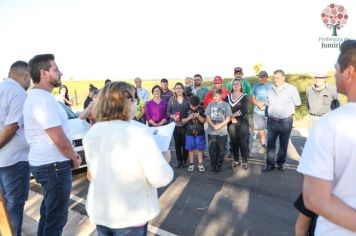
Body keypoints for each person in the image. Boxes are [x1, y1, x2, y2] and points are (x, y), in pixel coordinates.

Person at [83, 81, 173, 236]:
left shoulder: (92, 133)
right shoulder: (138, 134)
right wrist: (165, 157)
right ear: (128, 102)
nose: (136, 104)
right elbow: (160, 178)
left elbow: (91, 174)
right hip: (131, 215)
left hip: (101, 211)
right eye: (134, 100)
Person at [297, 39, 356, 235]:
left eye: (336, 68)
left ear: (348, 72)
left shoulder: (330, 124)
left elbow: (314, 199)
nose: (334, 74)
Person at [23, 54, 82, 236]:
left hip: (48, 165)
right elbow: (59, 138)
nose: (61, 72)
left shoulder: (39, 97)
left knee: (49, 215)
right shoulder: (42, 99)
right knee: (56, 220)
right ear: (44, 73)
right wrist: (74, 157)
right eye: (56, 69)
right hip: (53, 167)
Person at [0, 61, 31, 236]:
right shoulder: (18, 93)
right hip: (13, 161)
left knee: (3, 206)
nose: (29, 84)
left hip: (4, 161)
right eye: (29, 80)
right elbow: (12, 127)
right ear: (25, 76)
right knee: (14, 205)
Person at [263, 69, 301, 172]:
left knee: (283, 144)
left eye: (278, 78)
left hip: (285, 121)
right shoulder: (269, 88)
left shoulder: (292, 89)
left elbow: (297, 104)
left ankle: (281, 163)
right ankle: (270, 165)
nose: (276, 80)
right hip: (271, 121)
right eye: (274, 78)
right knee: (270, 144)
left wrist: (288, 112)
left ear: (283, 77)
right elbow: (267, 103)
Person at [205, 88, 232, 173]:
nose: (214, 98)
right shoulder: (210, 104)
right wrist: (213, 125)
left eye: (216, 96)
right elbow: (207, 116)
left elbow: (228, 118)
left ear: (221, 95)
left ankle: (219, 166)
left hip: (222, 132)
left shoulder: (226, 105)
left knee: (221, 150)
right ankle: (213, 167)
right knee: (212, 150)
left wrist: (220, 125)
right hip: (212, 131)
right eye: (214, 96)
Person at [225, 79, 250, 170]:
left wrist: (233, 115)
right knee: (234, 142)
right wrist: (231, 118)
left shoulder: (245, 96)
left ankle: (244, 161)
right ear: (232, 86)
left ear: (241, 86)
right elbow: (225, 108)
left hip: (242, 122)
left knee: (243, 142)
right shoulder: (227, 97)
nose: (235, 85)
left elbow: (245, 109)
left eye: (237, 84)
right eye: (234, 84)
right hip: (231, 123)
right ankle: (236, 160)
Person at [167, 82, 190, 168]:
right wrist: (173, 116)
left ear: (183, 89)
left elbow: (190, 111)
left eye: (180, 88)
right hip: (175, 125)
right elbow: (168, 112)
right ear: (174, 90)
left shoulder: (188, 99)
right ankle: (179, 160)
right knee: (177, 144)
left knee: (185, 144)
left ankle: (184, 160)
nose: (178, 90)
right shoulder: (171, 99)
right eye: (176, 88)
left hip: (185, 124)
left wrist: (187, 118)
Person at [182, 96, 206, 172]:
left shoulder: (201, 109)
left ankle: (200, 163)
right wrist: (189, 117)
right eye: (193, 106)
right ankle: (191, 164)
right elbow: (183, 121)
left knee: (200, 148)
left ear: (199, 104)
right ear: (190, 104)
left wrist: (198, 116)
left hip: (200, 133)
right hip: (189, 133)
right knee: (190, 148)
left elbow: (203, 121)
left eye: (196, 106)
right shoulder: (186, 109)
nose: (194, 108)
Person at [251, 71, 273, 153]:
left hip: (269, 112)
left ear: (266, 77)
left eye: (261, 77)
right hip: (257, 112)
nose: (259, 78)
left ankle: (271, 146)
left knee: (271, 130)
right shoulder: (255, 86)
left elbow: (273, 98)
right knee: (261, 130)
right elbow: (252, 98)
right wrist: (258, 104)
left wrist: (264, 104)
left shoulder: (271, 86)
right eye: (259, 77)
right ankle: (264, 145)